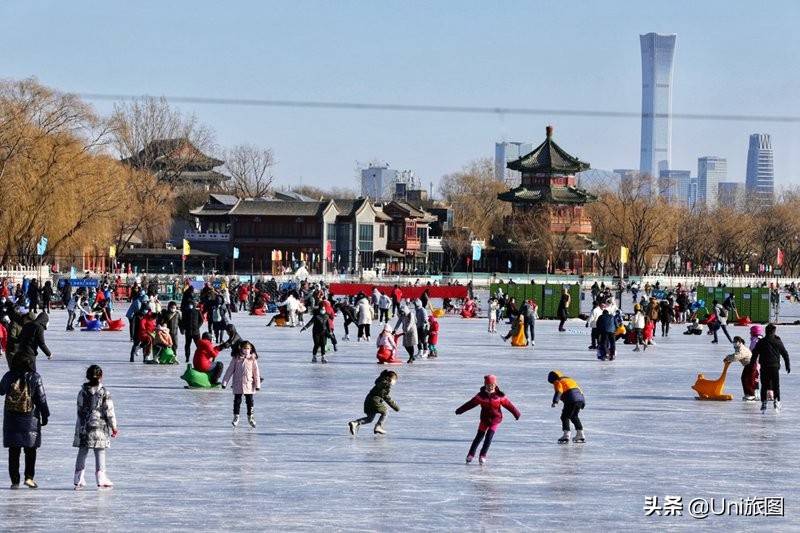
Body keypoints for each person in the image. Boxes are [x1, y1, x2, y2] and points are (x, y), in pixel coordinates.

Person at [0, 357, 49, 489]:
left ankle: (15, 481)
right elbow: (41, 398)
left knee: (14, 451)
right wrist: (45, 414)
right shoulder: (35, 377)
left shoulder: (9, 375)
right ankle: (29, 478)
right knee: (30, 450)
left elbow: (1, 391)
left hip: (12, 418)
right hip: (30, 418)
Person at [455, 375, 520, 465]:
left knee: (489, 436)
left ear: (495, 385)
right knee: (478, 437)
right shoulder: (481, 396)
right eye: (489, 385)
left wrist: (516, 413)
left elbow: (509, 405)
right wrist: (460, 410)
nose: (491, 387)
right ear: (485, 385)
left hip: (495, 419)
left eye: (492, 385)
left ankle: (483, 455)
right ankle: (470, 455)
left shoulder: (499, 396)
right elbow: (470, 404)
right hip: (484, 419)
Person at [72, 365, 117, 489]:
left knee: (83, 451)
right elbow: (109, 411)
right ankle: (101, 477)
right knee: (100, 450)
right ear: (101, 376)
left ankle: (78, 477)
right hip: (100, 427)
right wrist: (114, 426)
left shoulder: (82, 392)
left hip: (84, 426)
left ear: (87, 376)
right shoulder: (104, 392)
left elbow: (79, 409)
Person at [750, 323, 790, 412]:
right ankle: (776, 401)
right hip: (774, 367)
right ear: (774, 331)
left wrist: (752, 365)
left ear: (766, 331)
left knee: (764, 385)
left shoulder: (761, 341)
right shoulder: (778, 341)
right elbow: (785, 354)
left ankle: (764, 402)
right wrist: (787, 365)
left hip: (764, 367)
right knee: (776, 385)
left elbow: (755, 354)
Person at [348, 369, 399, 436]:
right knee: (385, 412)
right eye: (395, 380)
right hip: (375, 401)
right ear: (390, 379)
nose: (395, 382)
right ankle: (378, 426)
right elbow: (386, 397)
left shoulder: (381, 381)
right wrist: (396, 407)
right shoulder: (386, 384)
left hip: (368, 400)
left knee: (370, 419)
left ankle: (355, 423)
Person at [222, 341, 261, 427]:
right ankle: (236, 416)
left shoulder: (252, 359)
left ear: (251, 349)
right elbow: (229, 371)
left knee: (250, 401)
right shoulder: (236, 358)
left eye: (248, 348)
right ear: (241, 349)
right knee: (237, 401)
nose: (246, 350)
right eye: (245, 348)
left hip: (249, 384)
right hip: (238, 383)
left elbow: (256, 373)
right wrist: (224, 382)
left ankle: (251, 417)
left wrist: (257, 385)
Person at [548, 370, 586, 443]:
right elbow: (580, 390)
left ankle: (566, 434)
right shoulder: (569, 379)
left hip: (571, 399)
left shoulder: (557, 381)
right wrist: (583, 402)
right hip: (580, 399)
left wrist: (555, 402)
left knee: (564, 417)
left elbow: (559, 391)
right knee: (574, 416)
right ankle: (580, 434)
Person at [724, 336, 757, 402]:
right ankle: (747, 394)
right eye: (733, 341)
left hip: (751, 365)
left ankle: (752, 395)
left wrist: (728, 358)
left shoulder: (742, 349)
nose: (734, 343)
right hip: (748, 365)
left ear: (739, 342)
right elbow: (736, 355)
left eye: (736, 342)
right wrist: (729, 358)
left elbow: (737, 356)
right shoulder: (739, 348)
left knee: (749, 379)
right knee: (744, 378)